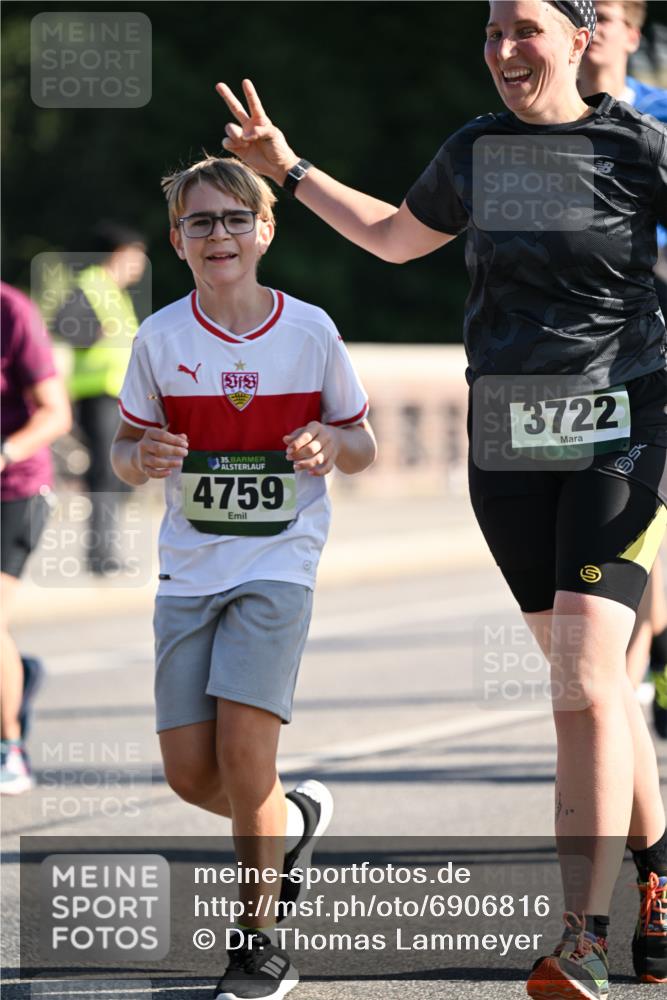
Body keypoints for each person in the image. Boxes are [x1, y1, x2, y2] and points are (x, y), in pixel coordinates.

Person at [217, 0, 667, 995]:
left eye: (526, 30)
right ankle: (657, 875)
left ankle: (580, 938)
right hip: (507, 440)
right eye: (491, 32)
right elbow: (387, 236)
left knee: (584, 682)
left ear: (579, 36)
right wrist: (284, 166)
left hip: (620, 431)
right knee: (588, 686)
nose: (505, 49)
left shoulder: (639, 148)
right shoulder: (475, 151)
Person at [110, 155, 376, 1000]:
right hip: (188, 572)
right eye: (200, 222)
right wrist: (139, 457)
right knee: (191, 774)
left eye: (234, 219)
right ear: (177, 241)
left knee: (245, 754)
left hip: (277, 563)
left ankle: (257, 940)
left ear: (265, 228)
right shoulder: (158, 339)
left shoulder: (311, 331)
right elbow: (123, 452)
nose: (218, 235)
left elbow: (362, 443)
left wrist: (332, 446)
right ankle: (287, 824)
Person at [579, 0, 667, 739]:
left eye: (606, 12)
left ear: (632, 33)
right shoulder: (535, 126)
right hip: (601, 362)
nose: (595, 25)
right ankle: (623, 692)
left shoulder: (658, 118)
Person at [1, 282, 72, 793]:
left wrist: (5, 452)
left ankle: (10, 747)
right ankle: (17, 671)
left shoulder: (12, 310)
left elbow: (56, 412)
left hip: (15, 488)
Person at [57, 222, 147, 574]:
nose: (140, 265)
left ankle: (106, 552)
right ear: (119, 255)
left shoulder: (112, 290)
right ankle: (100, 555)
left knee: (115, 476)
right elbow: (62, 324)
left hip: (117, 395)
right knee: (105, 475)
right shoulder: (92, 285)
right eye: (137, 256)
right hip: (98, 394)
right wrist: (96, 332)